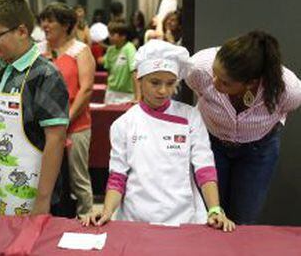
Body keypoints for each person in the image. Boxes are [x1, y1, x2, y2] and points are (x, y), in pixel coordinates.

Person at [81, 40, 235, 232]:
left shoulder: (191, 116)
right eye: (155, 82)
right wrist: (106, 210)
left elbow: (204, 168)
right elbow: (117, 177)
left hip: (184, 219)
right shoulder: (124, 124)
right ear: (139, 80)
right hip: (136, 219)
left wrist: (214, 209)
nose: (163, 91)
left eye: (170, 83)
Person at [186, 30, 301, 224]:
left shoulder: (288, 89)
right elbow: (197, 89)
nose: (214, 82)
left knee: (244, 219)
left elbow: (284, 112)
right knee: (208, 215)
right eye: (214, 74)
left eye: (224, 82)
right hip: (210, 144)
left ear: (251, 83)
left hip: (258, 151)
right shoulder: (198, 68)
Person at [0, 0, 69, 216]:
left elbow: (55, 140)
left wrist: (42, 200)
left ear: (21, 31)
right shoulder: (1, 68)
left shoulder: (46, 75)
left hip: (31, 192)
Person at [38, 2, 95, 216]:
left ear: (66, 25)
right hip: (44, 128)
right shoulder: (38, 50)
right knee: (46, 176)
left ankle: (86, 217)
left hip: (76, 125)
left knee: (77, 177)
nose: (45, 24)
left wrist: (65, 120)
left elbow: (86, 89)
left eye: (51, 20)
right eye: (43, 19)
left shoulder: (80, 50)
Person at [102, 21, 136, 104]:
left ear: (123, 36)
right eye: (109, 34)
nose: (109, 37)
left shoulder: (129, 48)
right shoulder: (110, 50)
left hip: (127, 94)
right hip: (111, 92)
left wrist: (137, 97)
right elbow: (108, 72)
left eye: (113, 35)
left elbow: (134, 72)